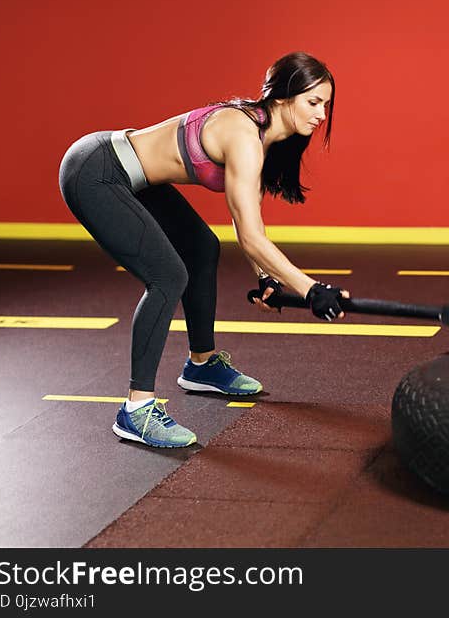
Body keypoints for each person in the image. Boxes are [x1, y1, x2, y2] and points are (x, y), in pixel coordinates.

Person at [58, 51, 348, 449]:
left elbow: (247, 219)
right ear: (284, 96)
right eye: (313, 102)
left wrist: (265, 278)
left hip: (130, 176)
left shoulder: (263, 137)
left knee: (201, 247)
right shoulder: (244, 136)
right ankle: (136, 409)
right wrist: (310, 289)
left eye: (326, 106)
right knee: (168, 276)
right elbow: (252, 238)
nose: (321, 115)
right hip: (97, 172)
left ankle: (201, 365)